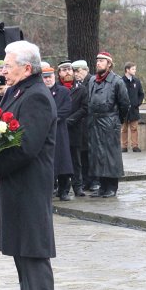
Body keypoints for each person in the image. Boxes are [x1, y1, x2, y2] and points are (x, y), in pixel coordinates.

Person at [0, 40, 57, 290]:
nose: (3, 70)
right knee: (19, 251)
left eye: (8, 65)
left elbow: (26, 147)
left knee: (34, 254)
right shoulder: (17, 91)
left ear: (27, 68)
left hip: (29, 185)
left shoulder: (37, 96)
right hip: (14, 186)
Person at [87, 51, 130, 198]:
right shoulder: (92, 80)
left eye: (101, 61)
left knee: (111, 154)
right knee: (97, 154)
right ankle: (102, 185)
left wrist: (117, 120)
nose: (98, 63)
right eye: (97, 60)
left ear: (109, 64)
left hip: (110, 121)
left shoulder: (117, 81)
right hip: (95, 121)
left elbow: (124, 104)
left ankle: (112, 186)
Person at [42, 63, 74, 201]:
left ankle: (64, 190)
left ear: (54, 77)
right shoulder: (40, 92)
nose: (48, 80)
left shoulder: (63, 91)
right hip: (44, 131)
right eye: (45, 78)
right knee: (49, 163)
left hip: (59, 130)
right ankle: (49, 189)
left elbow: (67, 109)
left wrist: (52, 118)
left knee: (63, 161)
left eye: (49, 77)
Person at [58, 60, 87, 197]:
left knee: (76, 159)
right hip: (59, 129)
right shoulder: (56, 89)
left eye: (69, 69)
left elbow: (84, 108)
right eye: (64, 70)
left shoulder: (80, 88)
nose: (68, 72)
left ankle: (78, 186)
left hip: (75, 128)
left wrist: (72, 119)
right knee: (62, 159)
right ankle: (62, 188)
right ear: (59, 73)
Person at [72, 60, 92, 190]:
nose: (76, 74)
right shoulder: (78, 84)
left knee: (89, 153)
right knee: (83, 153)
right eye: (75, 71)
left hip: (89, 122)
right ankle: (86, 181)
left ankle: (91, 180)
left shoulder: (91, 82)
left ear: (86, 70)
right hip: (82, 123)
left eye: (78, 71)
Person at [121, 62, 144, 152]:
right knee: (124, 129)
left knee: (134, 128)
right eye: (133, 69)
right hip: (124, 109)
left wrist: (137, 103)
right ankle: (124, 146)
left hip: (134, 109)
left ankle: (135, 145)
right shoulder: (121, 81)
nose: (135, 71)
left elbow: (141, 94)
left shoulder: (137, 81)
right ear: (127, 70)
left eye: (135, 69)